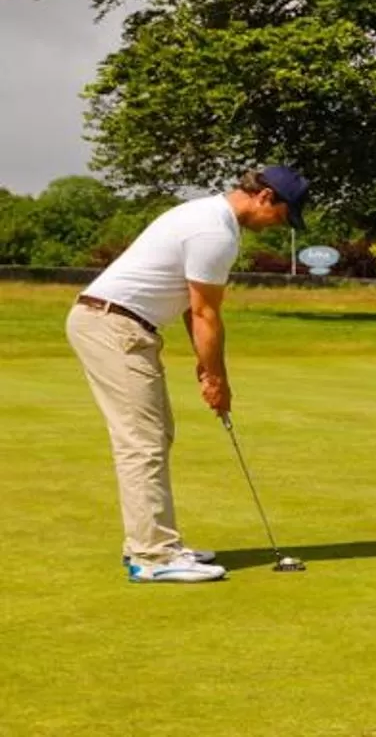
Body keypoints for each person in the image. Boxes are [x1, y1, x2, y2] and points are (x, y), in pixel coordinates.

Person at [66, 165, 310, 584]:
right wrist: (218, 380)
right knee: (141, 443)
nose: (279, 226)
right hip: (114, 326)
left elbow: (188, 305)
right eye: (283, 217)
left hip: (120, 324)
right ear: (266, 198)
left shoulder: (207, 216)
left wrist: (204, 364)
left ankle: (152, 542)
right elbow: (204, 312)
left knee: (154, 435)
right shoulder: (214, 231)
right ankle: (153, 556)